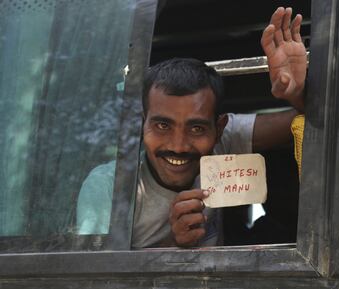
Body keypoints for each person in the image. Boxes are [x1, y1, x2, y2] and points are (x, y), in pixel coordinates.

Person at [77, 7, 307, 248]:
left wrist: (295, 93)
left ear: (219, 129)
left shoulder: (224, 141)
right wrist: (176, 248)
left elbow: (304, 122)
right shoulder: (107, 187)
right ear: (141, 123)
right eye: (163, 125)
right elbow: (93, 277)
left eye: (196, 128)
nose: (178, 146)